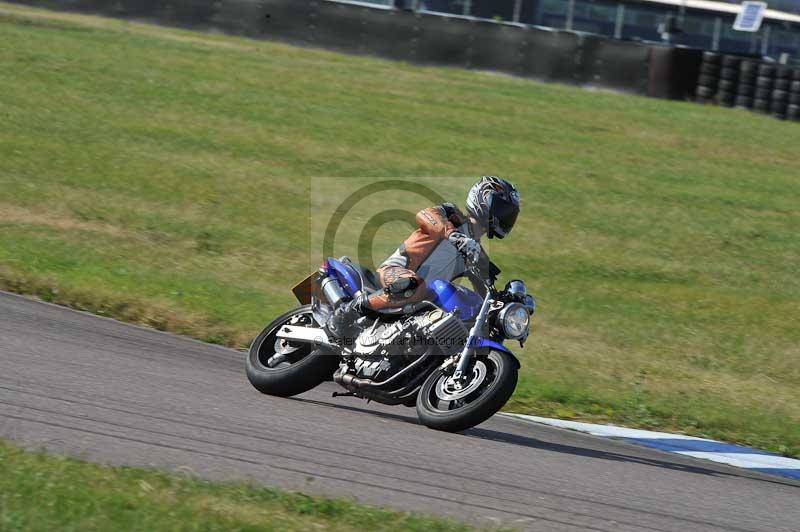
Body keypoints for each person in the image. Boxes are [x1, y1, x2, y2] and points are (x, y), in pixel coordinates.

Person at [327, 176, 520, 338]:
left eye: (509, 213)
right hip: (396, 272)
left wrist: (504, 304)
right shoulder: (451, 216)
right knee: (414, 284)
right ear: (483, 200)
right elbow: (425, 215)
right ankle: (349, 311)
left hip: (423, 301)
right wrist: (453, 235)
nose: (505, 216)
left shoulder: (477, 254)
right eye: (502, 208)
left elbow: (484, 293)